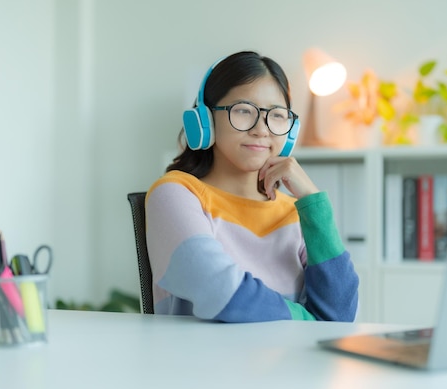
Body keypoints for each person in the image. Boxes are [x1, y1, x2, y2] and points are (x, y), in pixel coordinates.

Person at [145, 51, 359, 322]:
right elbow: (222, 294)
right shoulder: (175, 194)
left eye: (277, 115)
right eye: (244, 111)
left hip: (293, 362)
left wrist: (312, 200)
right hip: (203, 363)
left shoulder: (294, 212)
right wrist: (310, 322)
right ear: (206, 120)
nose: (262, 129)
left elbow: (340, 315)